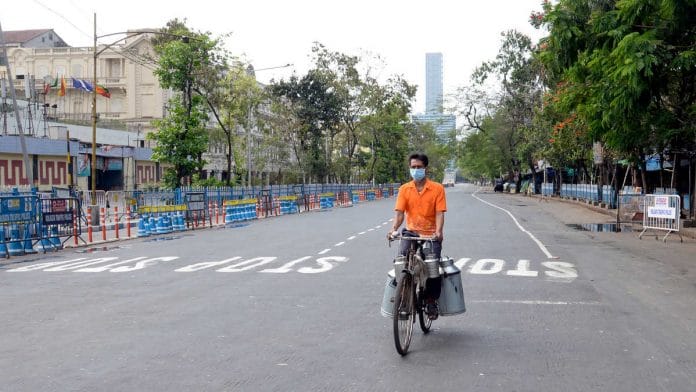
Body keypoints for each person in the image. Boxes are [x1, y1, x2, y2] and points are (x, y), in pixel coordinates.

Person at [388, 153, 447, 320]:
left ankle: (430, 300)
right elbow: (399, 214)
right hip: (411, 231)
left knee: (432, 266)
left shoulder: (437, 188)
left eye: (419, 167)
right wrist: (393, 230)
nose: (416, 170)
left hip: (431, 233)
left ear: (425, 168)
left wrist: (439, 232)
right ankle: (403, 294)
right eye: (413, 167)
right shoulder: (404, 189)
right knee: (402, 259)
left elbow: (439, 213)